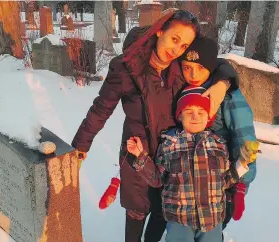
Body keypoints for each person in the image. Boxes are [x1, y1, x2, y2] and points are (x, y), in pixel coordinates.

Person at [71, 10, 239, 242]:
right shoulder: (125, 68)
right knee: (137, 213)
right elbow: (101, 109)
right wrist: (81, 145)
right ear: (160, 30)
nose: (177, 49)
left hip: (174, 159)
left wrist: (223, 82)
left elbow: (215, 62)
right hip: (138, 156)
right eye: (175, 39)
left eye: (184, 46)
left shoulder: (179, 65)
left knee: (163, 213)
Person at [126, 86, 259, 242]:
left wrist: (243, 163)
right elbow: (157, 178)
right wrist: (141, 156)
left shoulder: (219, 144)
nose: (195, 117)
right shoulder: (170, 144)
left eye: (201, 112)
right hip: (179, 218)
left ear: (208, 116)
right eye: (189, 112)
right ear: (180, 116)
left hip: (212, 218)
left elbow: (226, 179)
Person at [177, 36, 257, 231]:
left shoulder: (227, 96)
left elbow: (244, 136)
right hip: (189, 184)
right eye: (187, 67)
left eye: (200, 68)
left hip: (222, 180)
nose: (193, 74)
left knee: (213, 228)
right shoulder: (185, 87)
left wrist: (240, 187)